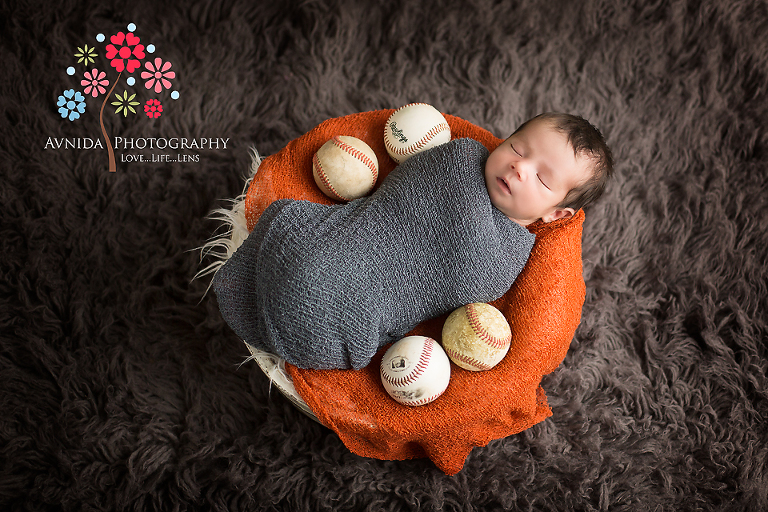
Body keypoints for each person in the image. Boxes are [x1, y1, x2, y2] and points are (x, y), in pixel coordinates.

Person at [212, 112, 613, 370]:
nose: (519, 167)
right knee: (315, 240)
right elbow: (407, 187)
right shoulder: (459, 158)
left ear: (556, 214)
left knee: (342, 284)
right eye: (516, 148)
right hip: (324, 249)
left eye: (542, 178)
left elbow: (471, 281)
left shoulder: (508, 257)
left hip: (350, 311)